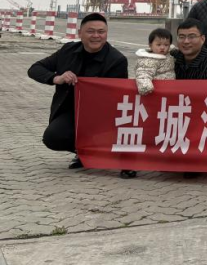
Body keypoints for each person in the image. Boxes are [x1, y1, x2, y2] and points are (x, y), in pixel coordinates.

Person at [27, 13, 128, 171]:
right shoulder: (68, 50)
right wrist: (56, 78)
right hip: (71, 112)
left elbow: (117, 96)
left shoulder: (117, 60)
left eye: (101, 32)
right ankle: (85, 152)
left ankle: (99, 151)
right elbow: (35, 69)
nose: (96, 36)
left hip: (102, 115)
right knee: (52, 137)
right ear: (80, 33)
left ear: (106, 34)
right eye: (90, 31)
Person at [135, 27, 175, 96]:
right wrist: (146, 86)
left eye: (166, 45)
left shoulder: (168, 54)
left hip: (169, 88)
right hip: (157, 90)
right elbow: (143, 74)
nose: (162, 47)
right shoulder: (149, 60)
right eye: (158, 45)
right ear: (150, 45)